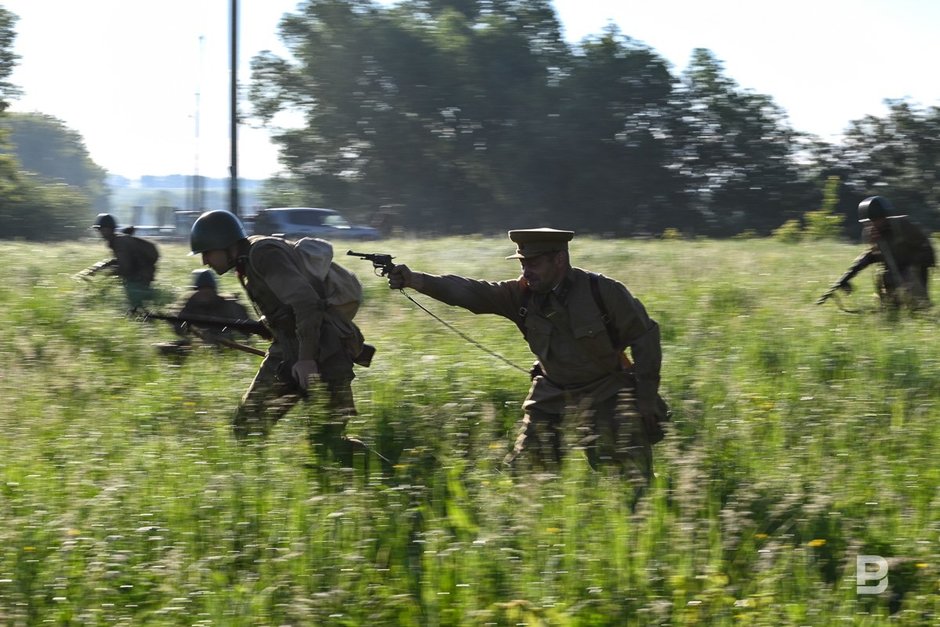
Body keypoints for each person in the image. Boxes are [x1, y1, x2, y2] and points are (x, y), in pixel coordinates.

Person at [387, 228, 666, 495]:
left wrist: (645, 400)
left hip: (608, 394)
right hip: (552, 397)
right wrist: (416, 280)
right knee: (521, 479)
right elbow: (471, 292)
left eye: (533, 263)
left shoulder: (603, 292)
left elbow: (646, 342)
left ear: (559, 259)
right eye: (522, 263)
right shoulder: (520, 294)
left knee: (633, 483)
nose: (525, 271)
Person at [189, 209, 369, 465]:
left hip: (323, 353)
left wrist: (306, 360)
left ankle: (386, 479)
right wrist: (270, 326)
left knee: (327, 444)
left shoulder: (263, 255)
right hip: (287, 354)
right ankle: (254, 486)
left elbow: (307, 304)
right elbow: (287, 308)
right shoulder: (245, 263)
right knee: (248, 427)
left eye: (207, 252)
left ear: (225, 245)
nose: (205, 261)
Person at [834, 196, 935, 309]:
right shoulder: (873, 234)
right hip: (893, 273)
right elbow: (870, 256)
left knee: (916, 303)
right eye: (868, 222)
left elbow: (926, 250)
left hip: (915, 270)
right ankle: (891, 306)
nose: (872, 225)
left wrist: (909, 271)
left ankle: (919, 305)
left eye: (875, 220)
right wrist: (845, 278)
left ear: (885, 217)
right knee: (885, 283)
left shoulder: (903, 226)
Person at [153, 269, 253, 356]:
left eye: (208, 290)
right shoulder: (189, 304)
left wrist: (221, 337)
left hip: (228, 346)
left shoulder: (230, 305)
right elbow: (179, 329)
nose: (205, 293)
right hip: (197, 346)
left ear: (214, 290)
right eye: (201, 290)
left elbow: (246, 333)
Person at [85, 213, 160, 310]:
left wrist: (107, 274)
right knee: (138, 307)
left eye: (101, 229)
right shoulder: (117, 240)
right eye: (98, 230)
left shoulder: (119, 243)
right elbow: (118, 261)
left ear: (109, 229)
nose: (100, 232)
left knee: (137, 309)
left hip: (139, 278)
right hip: (140, 275)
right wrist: (97, 269)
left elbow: (125, 268)